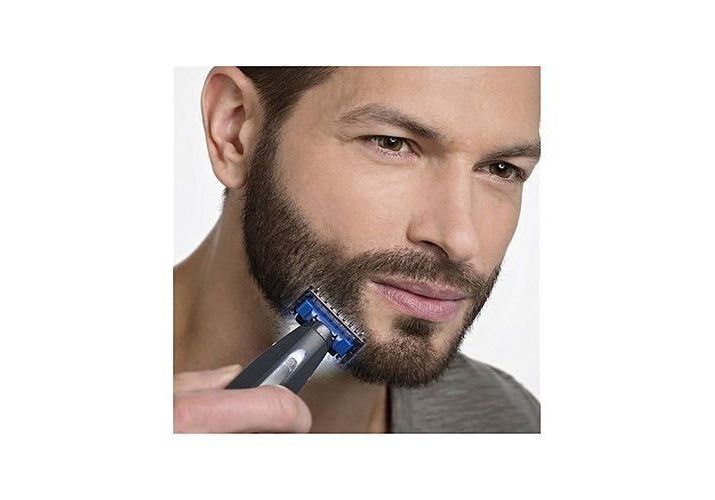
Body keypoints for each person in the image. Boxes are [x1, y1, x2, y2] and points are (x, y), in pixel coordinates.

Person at [174, 66, 541, 433]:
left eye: (502, 169)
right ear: (235, 130)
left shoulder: (511, 426)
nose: (459, 240)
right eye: (391, 143)